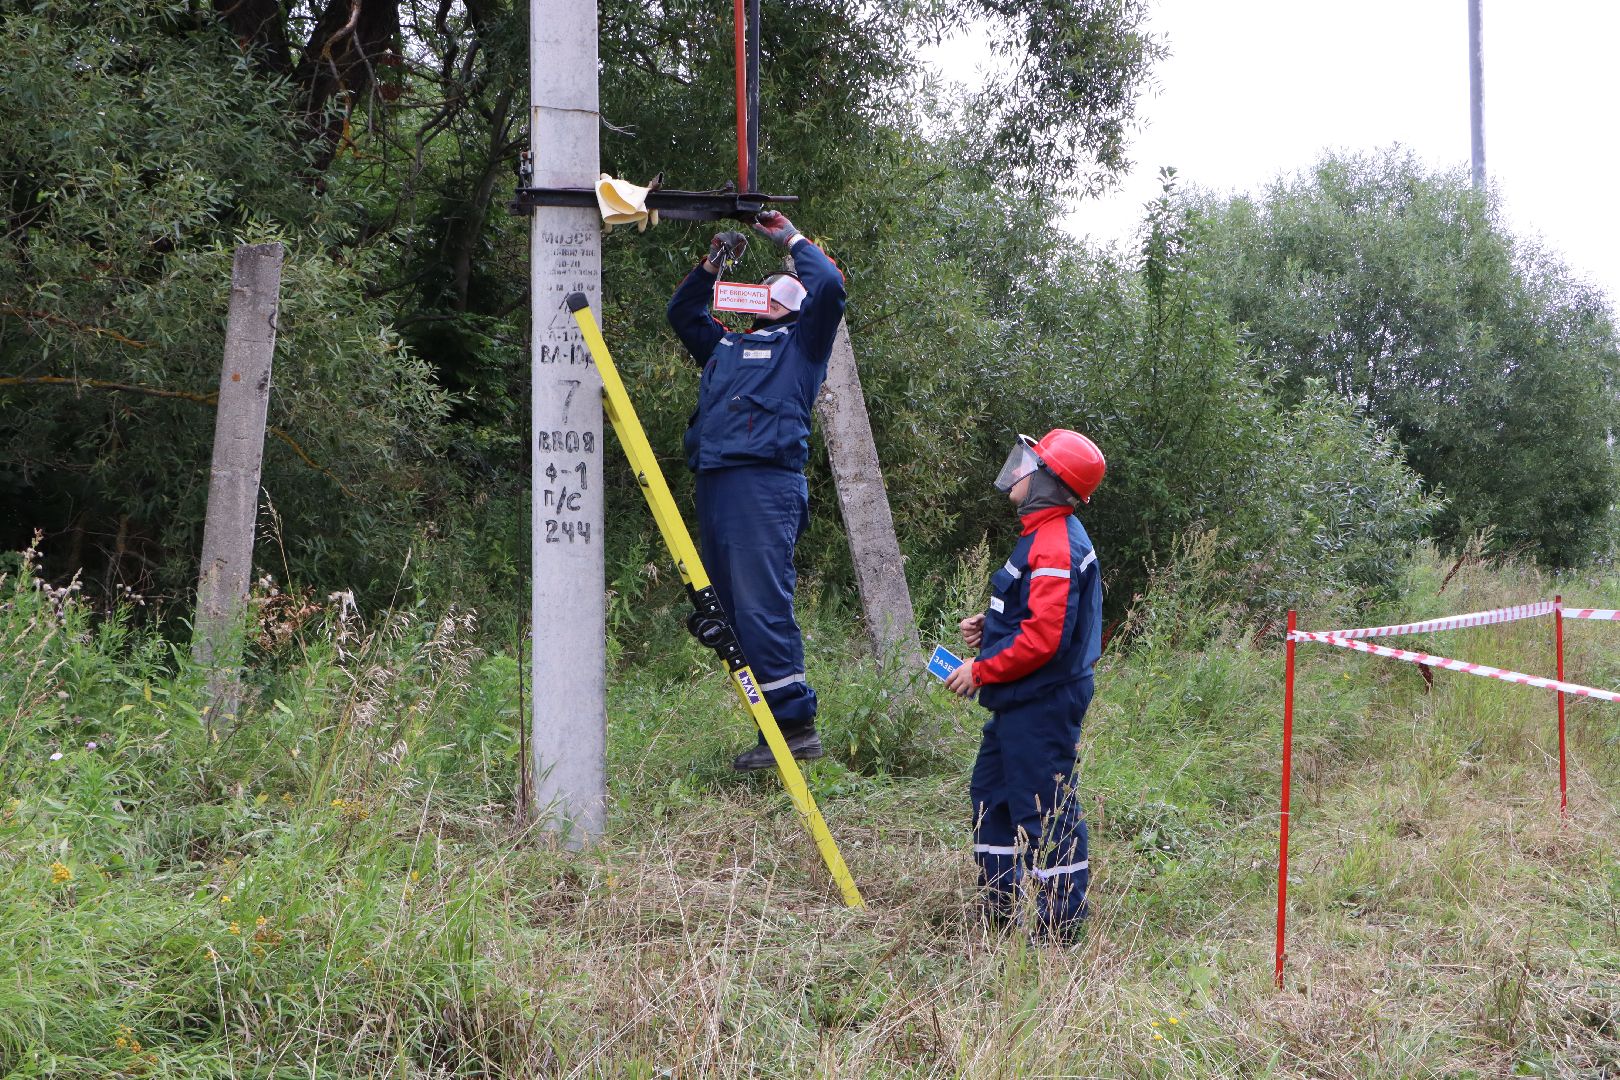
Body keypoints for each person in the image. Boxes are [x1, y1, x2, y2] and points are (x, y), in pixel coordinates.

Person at [666, 210, 846, 772]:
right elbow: (683, 312)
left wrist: (791, 240)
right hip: (716, 483)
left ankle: (795, 725)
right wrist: (715, 264)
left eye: (778, 291)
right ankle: (769, 728)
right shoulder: (723, 348)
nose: (764, 296)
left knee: (761, 605)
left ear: (795, 306)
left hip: (765, 487)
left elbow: (832, 287)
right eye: (758, 290)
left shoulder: (803, 347)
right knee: (725, 613)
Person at [944, 429, 1106, 941]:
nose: (1017, 469)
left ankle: (1059, 931)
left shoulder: (1055, 543)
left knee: (1045, 810)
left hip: (1042, 703)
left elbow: (1043, 640)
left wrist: (982, 669)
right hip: (1023, 702)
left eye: (1029, 463)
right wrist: (989, 627)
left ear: (1049, 482)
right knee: (991, 798)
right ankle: (998, 908)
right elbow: (1036, 614)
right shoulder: (1042, 534)